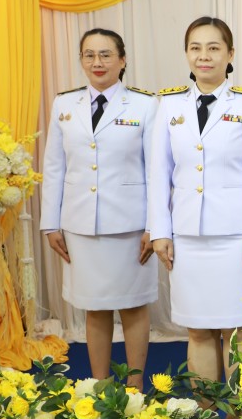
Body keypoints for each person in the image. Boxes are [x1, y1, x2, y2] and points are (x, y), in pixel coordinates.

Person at [149, 17, 242, 382]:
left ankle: (240, 413)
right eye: (195, 48)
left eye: (213, 48)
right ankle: (206, 414)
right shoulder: (169, 105)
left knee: (240, 331)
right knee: (198, 330)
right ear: (186, 54)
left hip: (236, 239)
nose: (203, 56)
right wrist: (160, 231)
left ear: (230, 54)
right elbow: (159, 173)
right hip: (187, 238)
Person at [41, 28, 157, 389]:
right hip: (81, 225)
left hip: (131, 226)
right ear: (81, 60)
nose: (97, 62)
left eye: (106, 54)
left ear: (122, 60)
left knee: (134, 306)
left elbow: (156, 170)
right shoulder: (64, 105)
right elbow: (54, 167)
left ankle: (135, 389)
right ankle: (100, 387)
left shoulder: (145, 105)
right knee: (95, 307)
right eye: (89, 55)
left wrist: (155, 226)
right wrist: (50, 224)